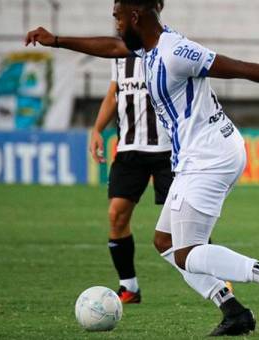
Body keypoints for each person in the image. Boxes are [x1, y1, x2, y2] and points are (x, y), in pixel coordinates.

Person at [25, 0, 259, 335]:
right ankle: (234, 311)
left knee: (187, 252)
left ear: (135, 16)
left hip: (210, 157)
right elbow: (113, 46)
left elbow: (241, 68)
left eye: (117, 16)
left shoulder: (176, 52)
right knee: (164, 241)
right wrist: (56, 40)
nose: (114, 23)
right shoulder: (147, 47)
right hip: (199, 157)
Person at [89, 0, 170, 304]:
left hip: (167, 150)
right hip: (130, 147)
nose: (115, 19)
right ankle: (129, 287)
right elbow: (114, 91)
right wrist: (97, 129)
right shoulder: (119, 52)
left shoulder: (165, 47)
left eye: (119, 14)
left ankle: (217, 280)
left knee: (184, 224)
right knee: (116, 216)